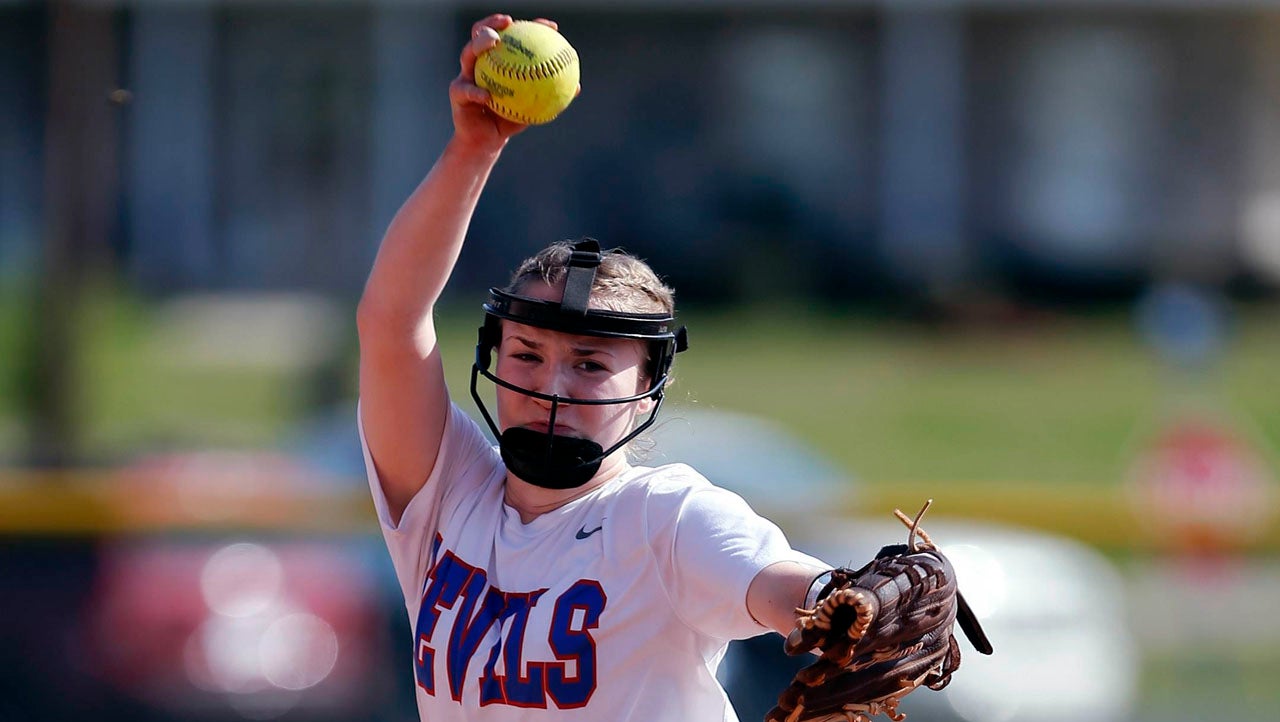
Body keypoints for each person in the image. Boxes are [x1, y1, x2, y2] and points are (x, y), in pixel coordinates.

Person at [356, 13, 830, 721]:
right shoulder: (451, 498)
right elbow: (391, 325)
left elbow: (772, 582)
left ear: (647, 390)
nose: (551, 384)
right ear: (492, 360)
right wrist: (471, 151)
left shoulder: (662, 517)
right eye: (527, 353)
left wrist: (833, 603)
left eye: (589, 362)